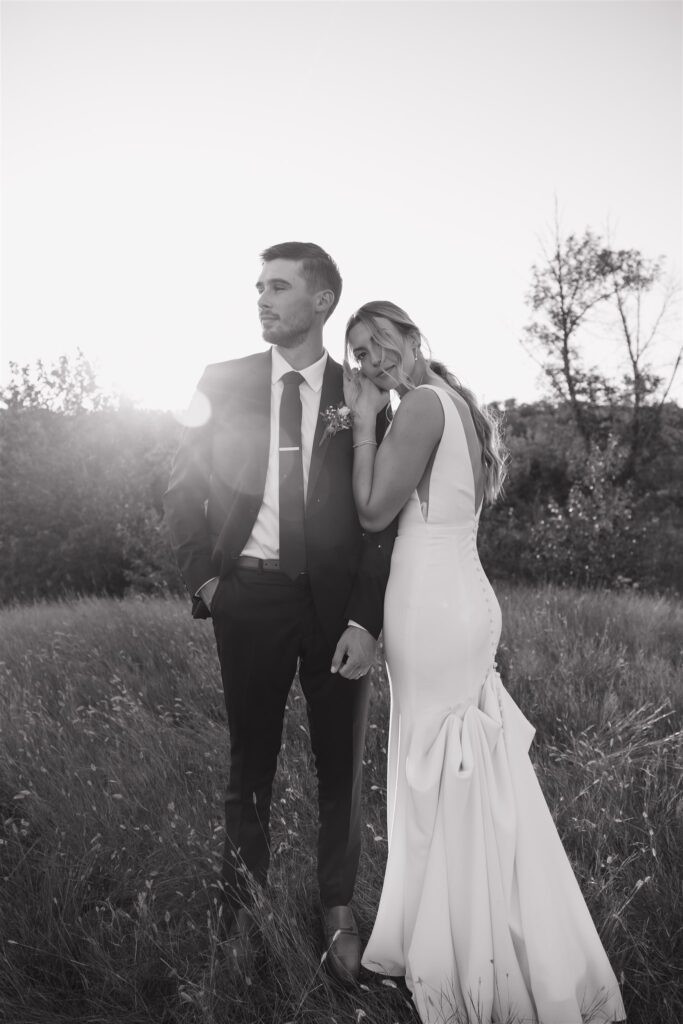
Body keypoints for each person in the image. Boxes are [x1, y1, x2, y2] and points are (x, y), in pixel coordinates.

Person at [342, 300, 626, 1024]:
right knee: (464, 771)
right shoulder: (458, 404)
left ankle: (460, 956)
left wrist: (362, 424)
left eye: (379, 345)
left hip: (431, 606)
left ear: (411, 336)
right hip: (460, 600)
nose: (372, 363)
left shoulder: (416, 409)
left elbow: (374, 510)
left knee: (437, 772)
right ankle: (479, 932)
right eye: (359, 356)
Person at [162, 245, 395, 983]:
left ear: (321, 301)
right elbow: (181, 486)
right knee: (248, 765)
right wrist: (204, 581)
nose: (261, 298)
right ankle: (239, 912)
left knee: (341, 772)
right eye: (259, 286)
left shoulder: (360, 394)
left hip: (335, 613)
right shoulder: (221, 381)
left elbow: (379, 521)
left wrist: (365, 621)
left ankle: (337, 914)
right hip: (248, 600)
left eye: (278, 287)